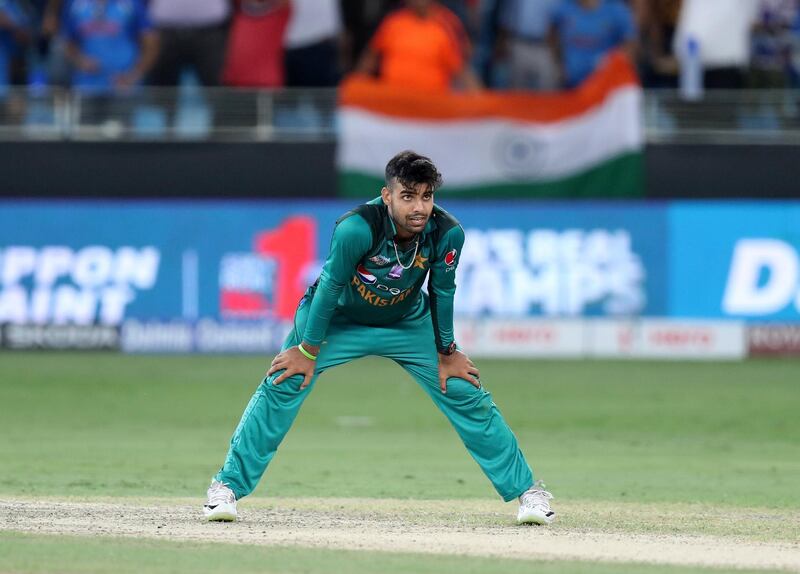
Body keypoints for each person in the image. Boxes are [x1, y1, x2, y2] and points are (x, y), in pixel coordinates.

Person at [203, 150, 555, 526]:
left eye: (426, 196)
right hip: (339, 318)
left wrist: (447, 351)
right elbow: (330, 286)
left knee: (465, 390)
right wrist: (307, 349)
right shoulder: (356, 228)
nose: (418, 207)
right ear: (387, 196)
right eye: (408, 196)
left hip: (406, 320)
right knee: (282, 382)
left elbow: (443, 292)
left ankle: (528, 492)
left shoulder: (448, 233)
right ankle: (225, 487)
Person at [356, 0, 481, 92]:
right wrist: (354, 87)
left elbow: (463, 71)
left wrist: (484, 105)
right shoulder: (392, 22)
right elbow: (370, 59)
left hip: (428, 110)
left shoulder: (447, 25)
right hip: (393, 107)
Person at [549, 0, 638, 89]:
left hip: (604, 88)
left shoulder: (616, 9)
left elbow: (630, 43)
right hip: (571, 84)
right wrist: (559, 65)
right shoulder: (564, 7)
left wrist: (615, 66)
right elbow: (552, 35)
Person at [496, 0, 562, 90]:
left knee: (547, 93)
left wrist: (557, 53)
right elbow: (507, 16)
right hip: (520, 43)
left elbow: (562, 20)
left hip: (545, 47)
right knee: (517, 92)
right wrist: (502, 42)